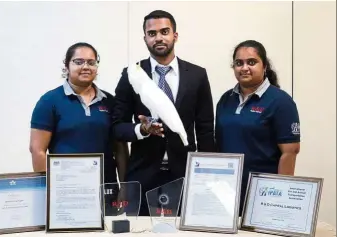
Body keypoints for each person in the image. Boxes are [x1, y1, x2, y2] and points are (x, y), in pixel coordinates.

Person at [112, 10, 215, 216]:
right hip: (143, 173)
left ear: (175, 35)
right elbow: (116, 127)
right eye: (152, 33)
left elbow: (205, 129)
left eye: (164, 31)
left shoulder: (197, 75)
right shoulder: (132, 73)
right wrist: (141, 129)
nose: (158, 37)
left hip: (185, 173)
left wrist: (207, 175)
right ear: (145, 38)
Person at [215, 40, 301, 214]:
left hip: (263, 194)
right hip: (226, 192)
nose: (244, 68)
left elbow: (290, 152)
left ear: (265, 66)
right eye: (239, 63)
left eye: (251, 62)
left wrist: (280, 199)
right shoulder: (226, 100)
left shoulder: (281, 102)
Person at [29, 42, 128, 184]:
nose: (86, 67)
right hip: (66, 190)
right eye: (78, 62)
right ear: (67, 66)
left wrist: (125, 187)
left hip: (106, 188)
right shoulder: (49, 101)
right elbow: (37, 150)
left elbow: (120, 150)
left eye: (91, 62)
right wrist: (49, 190)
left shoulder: (110, 101)